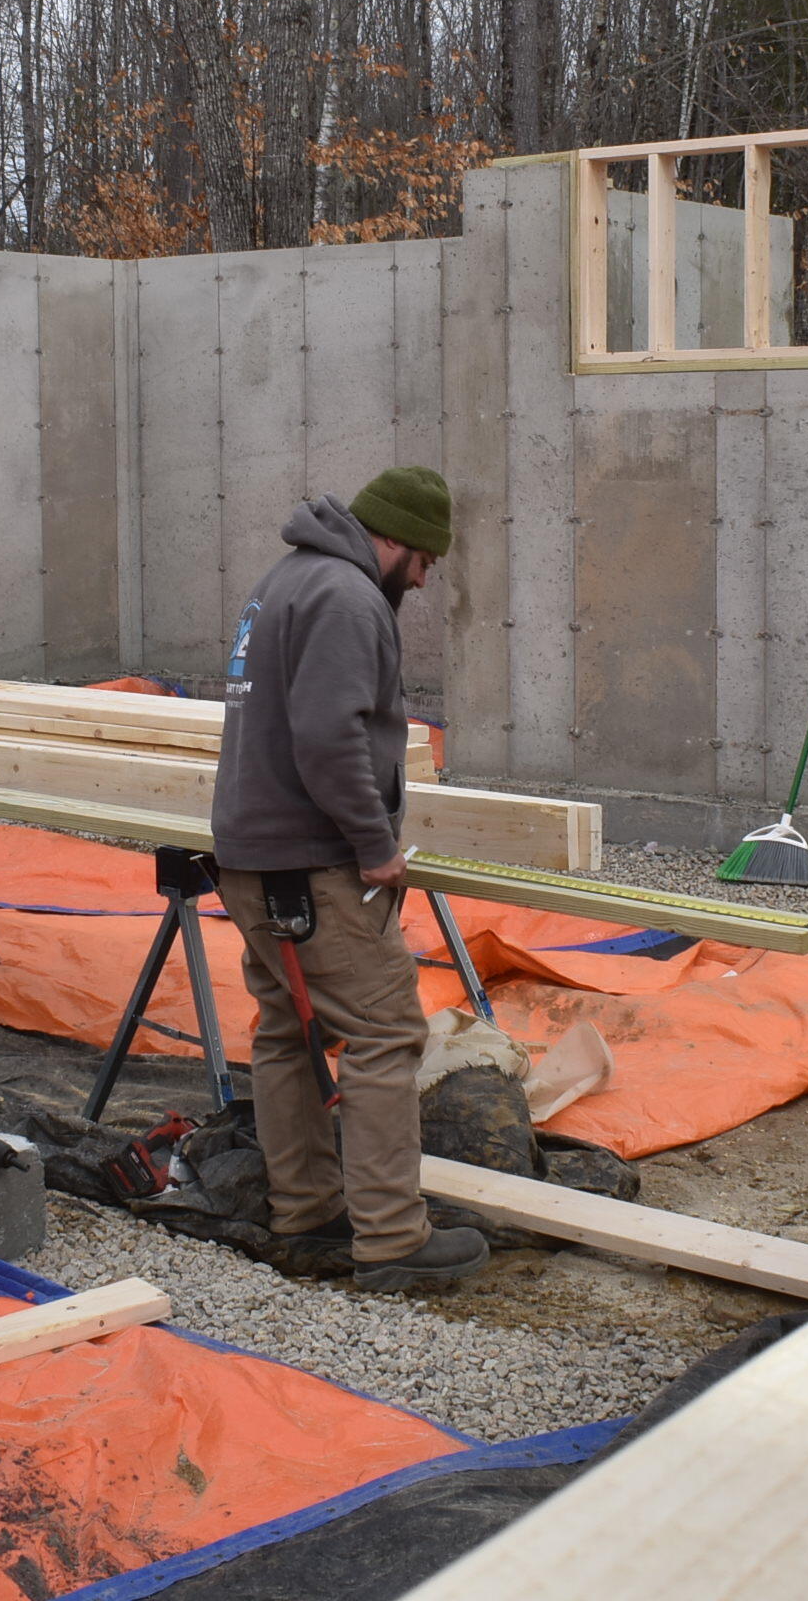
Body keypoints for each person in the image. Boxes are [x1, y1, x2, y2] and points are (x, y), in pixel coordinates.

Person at [209, 464, 488, 1292]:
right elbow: (329, 737)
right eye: (425, 560)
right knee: (383, 1033)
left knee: (287, 1032)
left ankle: (305, 1214)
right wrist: (374, 844)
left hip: (256, 857)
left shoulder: (286, 580)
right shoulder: (346, 597)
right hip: (314, 864)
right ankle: (393, 1240)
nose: (425, 579)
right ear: (395, 538)